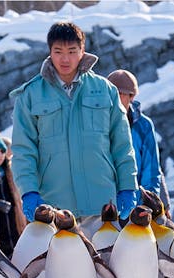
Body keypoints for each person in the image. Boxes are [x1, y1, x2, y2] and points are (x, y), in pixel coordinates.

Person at [10, 22, 137, 237]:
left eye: (72, 51)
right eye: (58, 52)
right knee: (61, 270)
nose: (65, 59)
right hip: (53, 207)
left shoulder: (105, 90)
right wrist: (29, 191)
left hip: (101, 205)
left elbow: (122, 144)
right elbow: (23, 149)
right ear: (50, 53)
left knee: (105, 269)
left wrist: (127, 186)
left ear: (82, 52)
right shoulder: (31, 95)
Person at [106, 69, 163, 198]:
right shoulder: (97, 123)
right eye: (110, 93)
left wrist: (147, 201)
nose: (115, 98)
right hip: (105, 204)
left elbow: (151, 169)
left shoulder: (144, 126)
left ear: (131, 96)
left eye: (120, 93)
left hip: (137, 206)